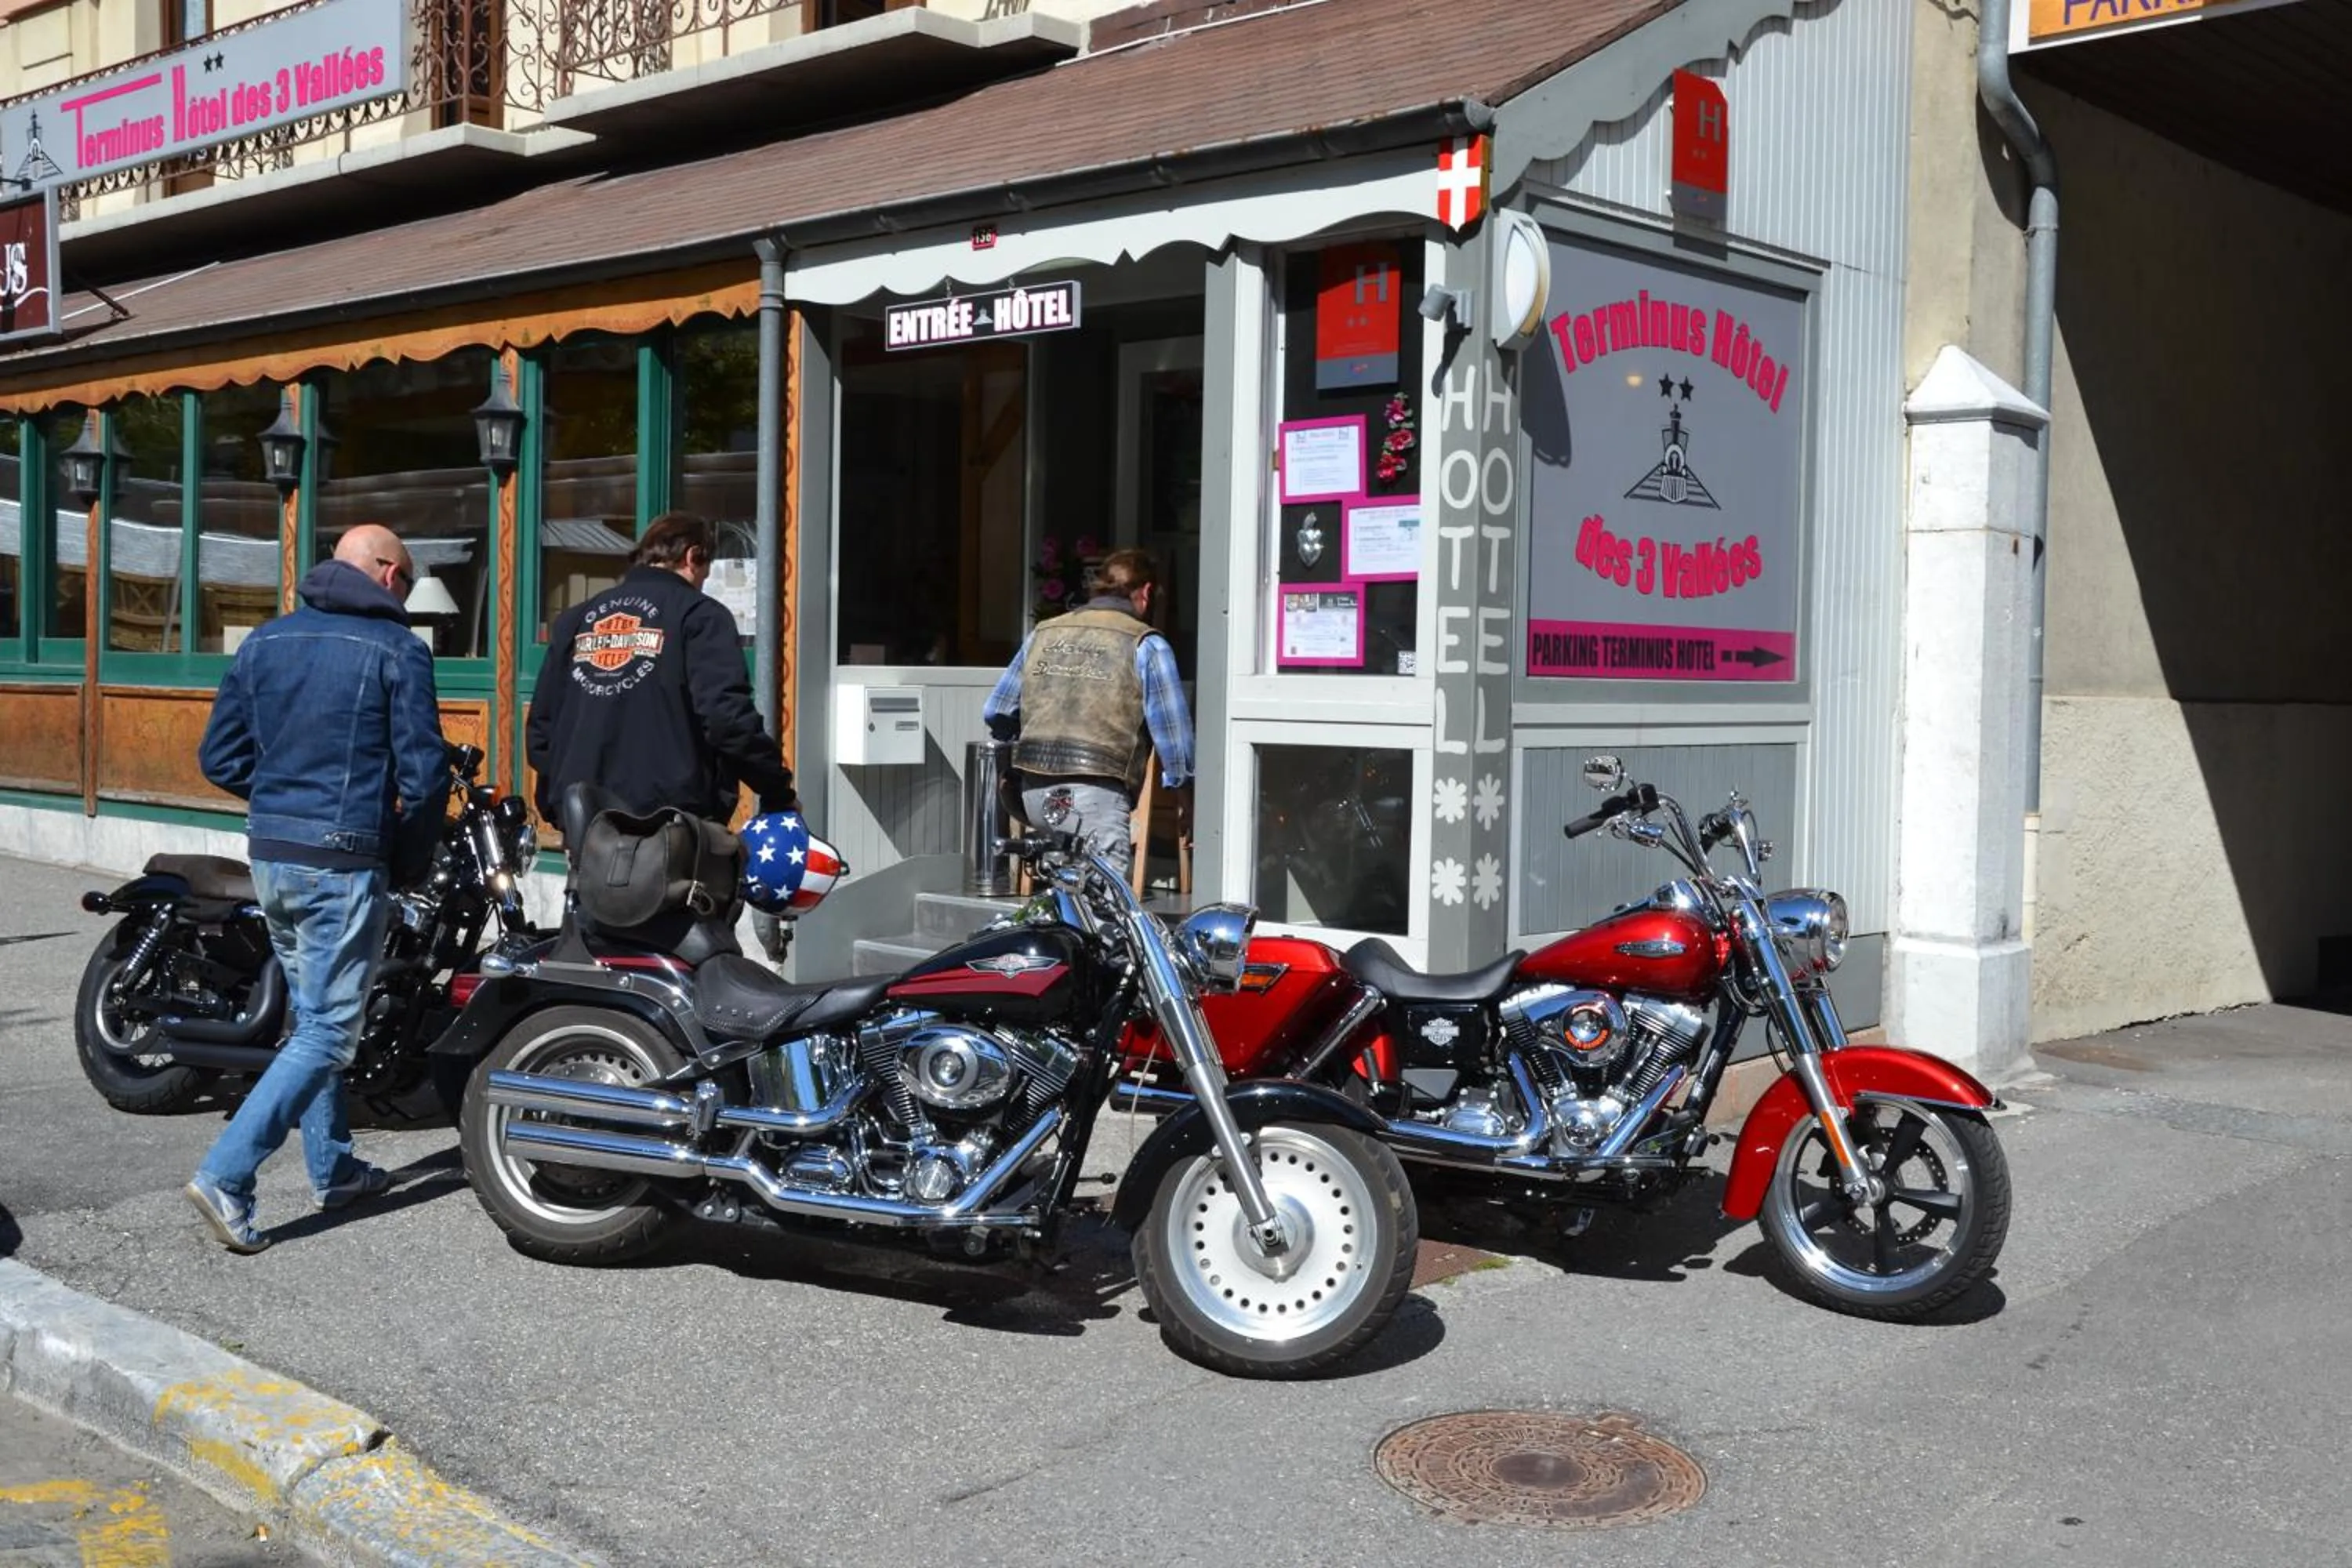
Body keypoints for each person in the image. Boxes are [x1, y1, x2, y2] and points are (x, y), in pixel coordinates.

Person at [185, 524, 448, 1253]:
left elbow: (219, 756)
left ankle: (334, 1169)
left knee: (312, 1017)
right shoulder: (399, 651)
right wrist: (406, 863)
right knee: (332, 1031)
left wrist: (278, 801)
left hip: (273, 855)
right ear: (389, 575)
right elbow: (425, 780)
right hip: (344, 861)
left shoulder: (265, 642)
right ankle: (227, 1175)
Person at [527, 511, 796, 827]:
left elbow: (541, 731)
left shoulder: (577, 618)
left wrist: (564, 795)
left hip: (587, 821)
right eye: (705, 572)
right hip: (669, 823)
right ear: (692, 556)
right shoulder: (700, 615)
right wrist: (776, 789)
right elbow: (726, 719)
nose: (702, 582)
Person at [985, 546, 1194, 861]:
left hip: (1033, 793)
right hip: (1097, 795)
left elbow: (996, 711)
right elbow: (1173, 738)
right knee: (1103, 900)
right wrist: (1185, 796)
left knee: (1063, 893)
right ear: (1147, 592)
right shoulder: (1147, 644)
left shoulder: (1043, 633)